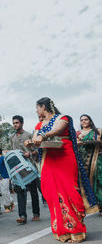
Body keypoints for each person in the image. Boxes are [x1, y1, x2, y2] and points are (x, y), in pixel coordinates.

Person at [28, 97, 99, 243]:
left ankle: (76, 230)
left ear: (43, 106)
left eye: (37, 107)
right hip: (48, 160)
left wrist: (42, 135)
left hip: (65, 157)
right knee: (51, 192)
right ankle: (62, 231)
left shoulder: (63, 118)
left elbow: (57, 130)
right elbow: (35, 139)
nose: (36, 111)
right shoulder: (39, 124)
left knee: (69, 191)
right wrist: (30, 142)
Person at [11, 115, 40, 224]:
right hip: (18, 169)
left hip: (29, 167)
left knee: (33, 191)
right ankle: (22, 216)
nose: (15, 125)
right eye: (14, 123)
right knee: (20, 191)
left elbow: (37, 151)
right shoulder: (12, 137)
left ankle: (36, 214)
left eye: (17, 123)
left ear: (22, 123)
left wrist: (30, 154)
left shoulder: (29, 135)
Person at [77, 114, 102, 216]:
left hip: (97, 159)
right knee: (86, 184)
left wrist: (98, 142)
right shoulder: (78, 133)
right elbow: (75, 144)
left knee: (99, 181)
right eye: (81, 120)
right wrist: (79, 142)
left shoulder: (98, 131)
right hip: (83, 161)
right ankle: (91, 206)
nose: (83, 121)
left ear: (90, 121)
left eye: (86, 119)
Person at [0, 148, 14, 213]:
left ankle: (7, 207)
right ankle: (11, 203)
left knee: (4, 192)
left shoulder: (3, 158)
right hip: (1, 178)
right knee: (5, 192)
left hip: (5, 177)